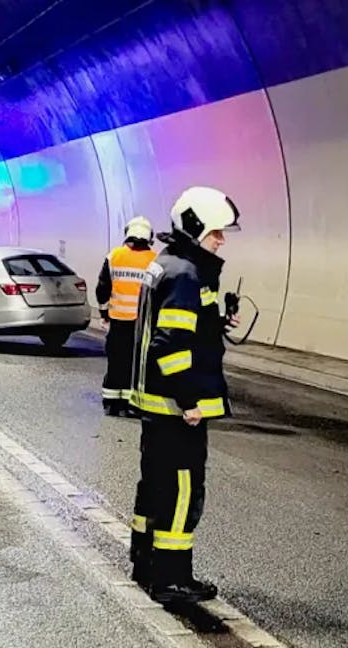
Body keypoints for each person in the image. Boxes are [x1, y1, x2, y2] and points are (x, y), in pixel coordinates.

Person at [129, 186, 241, 621]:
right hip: (177, 409)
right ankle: (172, 578)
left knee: (153, 484)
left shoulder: (171, 265)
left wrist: (218, 321)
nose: (222, 239)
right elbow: (170, 345)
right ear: (195, 229)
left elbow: (188, 326)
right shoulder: (188, 274)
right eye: (217, 232)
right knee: (181, 491)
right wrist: (190, 400)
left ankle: (144, 561)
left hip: (158, 404)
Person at [96, 216, 157, 415]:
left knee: (116, 360)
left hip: (118, 319)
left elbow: (102, 288)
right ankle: (132, 403)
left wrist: (103, 312)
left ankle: (112, 403)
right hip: (142, 324)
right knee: (136, 363)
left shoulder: (114, 256)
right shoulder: (154, 260)